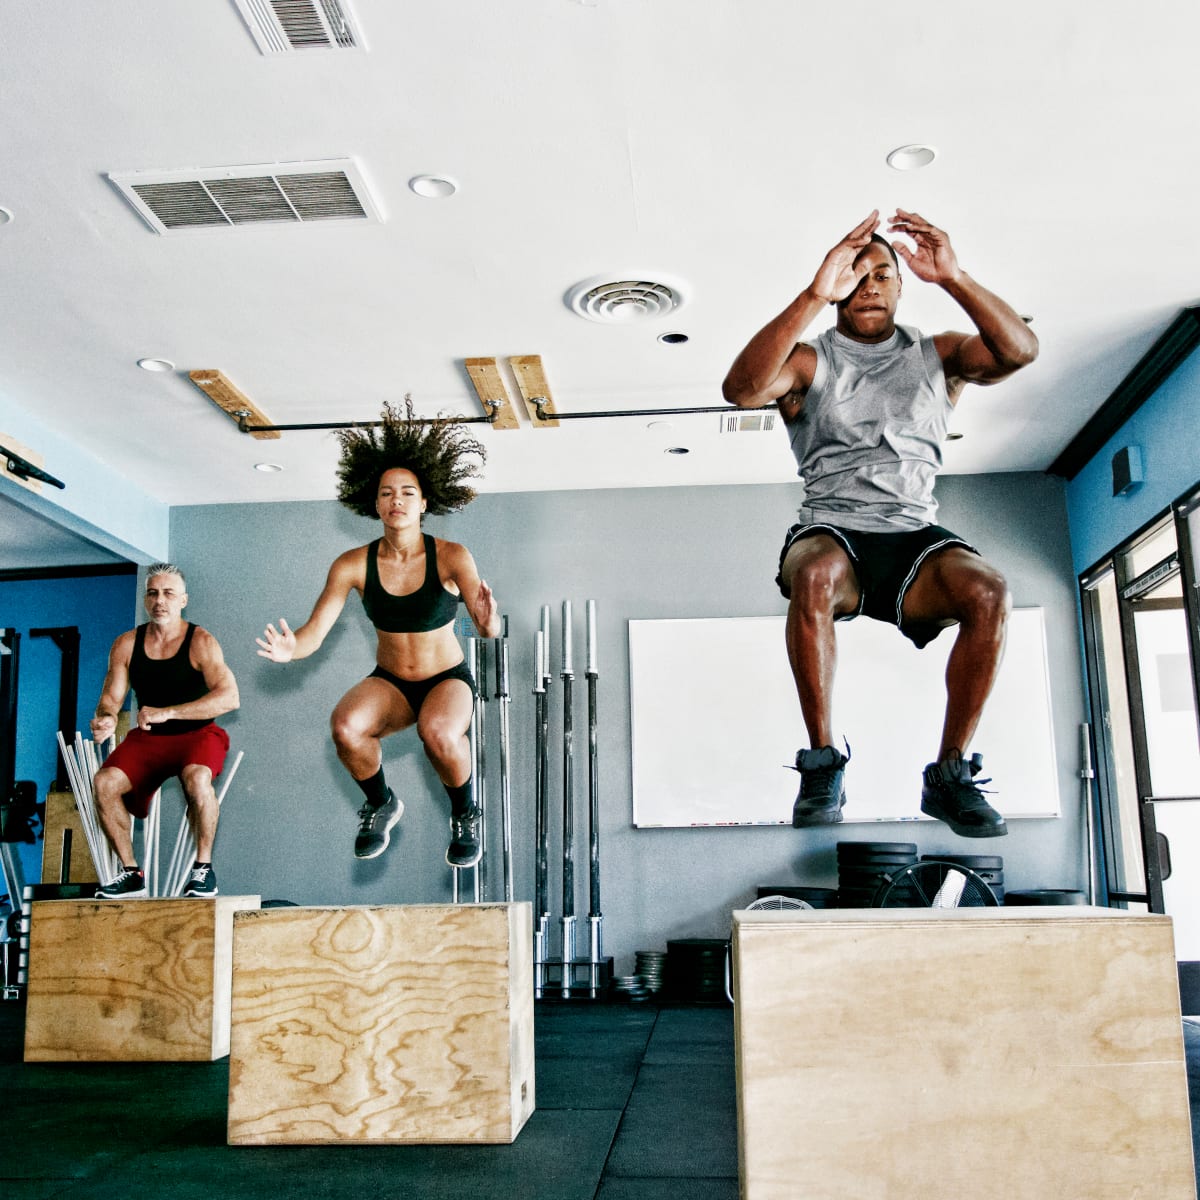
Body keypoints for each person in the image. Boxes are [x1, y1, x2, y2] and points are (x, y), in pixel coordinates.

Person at [722, 209, 1038, 837]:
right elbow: (742, 388)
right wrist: (814, 294)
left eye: (882, 274)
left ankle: (950, 775)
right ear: (839, 284)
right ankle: (822, 763)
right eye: (855, 274)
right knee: (812, 575)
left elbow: (1019, 351)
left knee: (991, 591)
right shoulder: (810, 363)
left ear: (901, 286)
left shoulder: (937, 353)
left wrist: (954, 276)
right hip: (834, 530)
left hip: (916, 536)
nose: (869, 284)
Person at [256, 399, 500, 867]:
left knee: (438, 733)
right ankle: (381, 802)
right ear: (375, 502)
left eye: (408, 492)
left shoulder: (451, 555)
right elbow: (313, 632)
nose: (397, 501)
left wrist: (488, 619)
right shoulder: (352, 564)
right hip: (391, 682)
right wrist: (291, 650)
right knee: (346, 728)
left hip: (446, 679)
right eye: (387, 493)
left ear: (425, 502)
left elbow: (486, 628)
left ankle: (465, 813)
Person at [91, 564, 239, 897]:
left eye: (169, 593)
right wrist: (107, 718)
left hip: (197, 736)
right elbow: (111, 697)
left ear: (183, 600)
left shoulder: (201, 641)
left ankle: (203, 869)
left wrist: (169, 712)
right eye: (153, 593)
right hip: (149, 739)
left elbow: (229, 697)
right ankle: (131, 873)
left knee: (199, 780)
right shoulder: (127, 643)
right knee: (104, 783)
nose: (160, 600)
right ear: (146, 599)